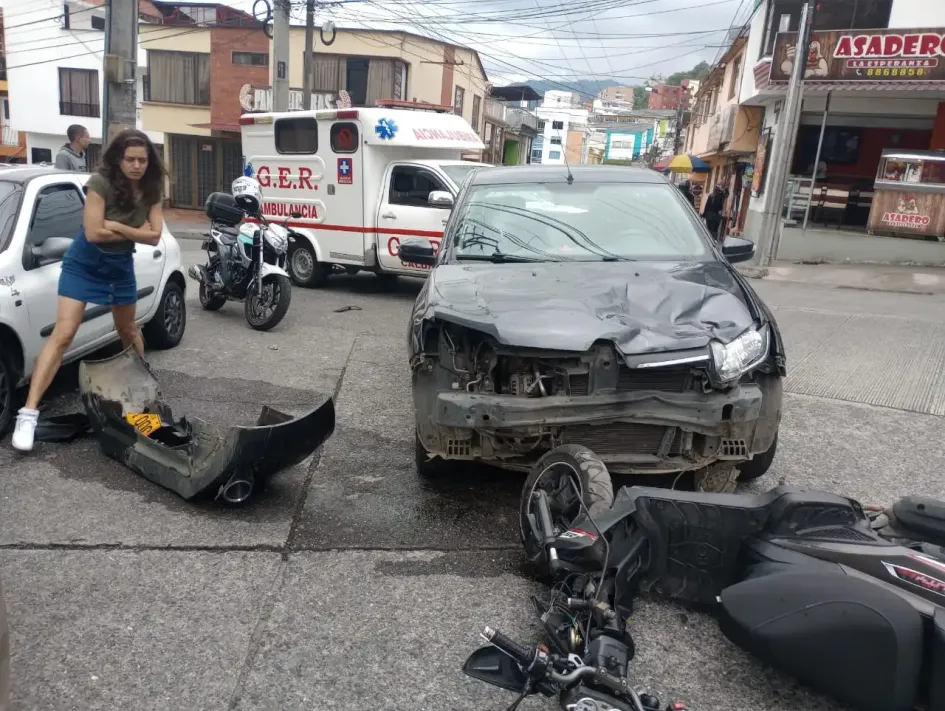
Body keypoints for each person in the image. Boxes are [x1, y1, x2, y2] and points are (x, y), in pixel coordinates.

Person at [11, 129, 167, 452]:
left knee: (128, 331)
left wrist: (120, 228)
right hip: (82, 265)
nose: (137, 165)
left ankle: (142, 403)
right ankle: (27, 414)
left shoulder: (152, 189)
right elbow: (94, 233)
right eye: (131, 159)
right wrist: (134, 231)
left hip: (120, 267)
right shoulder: (100, 184)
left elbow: (154, 237)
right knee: (64, 333)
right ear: (118, 159)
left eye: (143, 159)